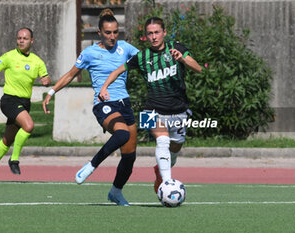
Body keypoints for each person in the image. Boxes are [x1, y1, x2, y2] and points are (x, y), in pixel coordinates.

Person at [42, 9, 139, 206]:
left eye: (115, 32)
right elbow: (70, 75)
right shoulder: (89, 53)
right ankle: (92, 165)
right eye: (108, 32)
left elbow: (146, 60)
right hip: (104, 104)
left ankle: (116, 192)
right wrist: (51, 92)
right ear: (99, 33)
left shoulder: (125, 48)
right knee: (122, 135)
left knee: (129, 157)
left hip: (125, 104)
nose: (113, 36)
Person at [99, 17, 202, 193]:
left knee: (175, 149)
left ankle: (160, 173)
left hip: (179, 110)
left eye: (156, 32)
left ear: (164, 33)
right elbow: (118, 70)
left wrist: (183, 60)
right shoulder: (141, 57)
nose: (154, 36)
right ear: (146, 36)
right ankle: (168, 186)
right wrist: (104, 87)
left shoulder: (176, 49)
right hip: (151, 109)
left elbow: (198, 68)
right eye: (150, 33)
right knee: (162, 141)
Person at [0, 28, 51, 174]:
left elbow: (45, 77)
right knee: (29, 125)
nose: (21, 40)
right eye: (19, 38)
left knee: (7, 140)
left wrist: (46, 81)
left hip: (25, 103)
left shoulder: (37, 61)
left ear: (31, 41)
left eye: (25, 38)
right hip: (9, 101)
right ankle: (14, 159)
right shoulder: (8, 57)